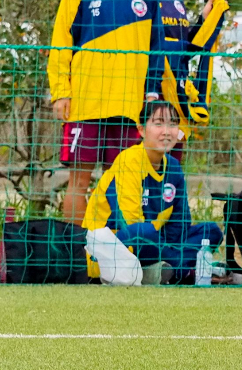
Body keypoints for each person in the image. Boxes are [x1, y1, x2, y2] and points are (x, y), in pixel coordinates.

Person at [48, 0, 165, 224]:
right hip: (85, 103)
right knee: (79, 182)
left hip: (129, 105)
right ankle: (75, 250)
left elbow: (157, 50)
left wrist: (152, 92)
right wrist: (61, 92)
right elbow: (61, 42)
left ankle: (114, 248)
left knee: (121, 184)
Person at [82, 101, 223, 285]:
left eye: (172, 124)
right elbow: (131, 225)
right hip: (115, 249)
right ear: (141, 129)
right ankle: (181, 271)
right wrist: (170, 252)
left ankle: (164, 270)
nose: (167, 131)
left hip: (156, 246)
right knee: (144, 231)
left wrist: (167, 249)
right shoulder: (129, 161)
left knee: (210, 231)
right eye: (158, 124)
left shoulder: (173, 167)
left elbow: (180, 225)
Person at [135, 0, 229, 164]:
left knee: (172, 159)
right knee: (143, 161)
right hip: (148, 91)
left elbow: (185, 45)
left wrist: (204, 21)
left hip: (177, 92)